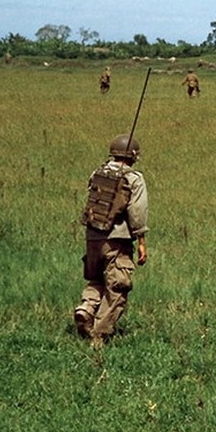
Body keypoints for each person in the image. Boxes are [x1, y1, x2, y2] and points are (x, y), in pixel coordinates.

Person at [74, 134, 149, 344]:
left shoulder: (97, 173)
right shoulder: (134, 178)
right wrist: (141, 241)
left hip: (92, 238)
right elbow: (137, 212)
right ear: (133, 156)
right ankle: (99, 335)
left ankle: (86, 309)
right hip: (117, 241)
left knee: (96, 279)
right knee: (118, 288)